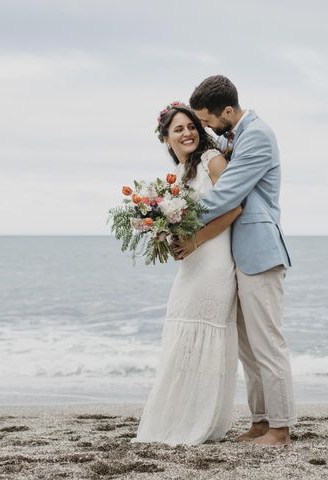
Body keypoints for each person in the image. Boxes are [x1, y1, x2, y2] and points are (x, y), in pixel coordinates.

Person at [174, 75, 296, 446]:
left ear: (228, 110)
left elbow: (227, 194)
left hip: (259, 252)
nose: (206, 126)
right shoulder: (236, 136)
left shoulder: (257, 135)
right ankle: (261, 421)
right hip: (237, 255)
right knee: (247, 346)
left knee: (267, 344)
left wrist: (179, 217)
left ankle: (280, 428)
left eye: (207, 120)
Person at [132, 103, 242, 445]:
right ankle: (176, 418)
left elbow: (236, 206)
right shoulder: (175, 178)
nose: (187, 133)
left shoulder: (212, 161)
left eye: (191, 126)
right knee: (181, 334)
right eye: (178, 129)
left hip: (214, 261)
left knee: (205, 334)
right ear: (166, 140)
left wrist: (197, 240)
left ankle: (200, 422)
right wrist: (165, 236)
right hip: (191, 265)